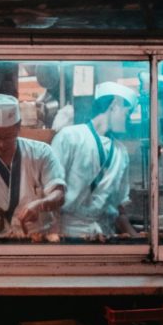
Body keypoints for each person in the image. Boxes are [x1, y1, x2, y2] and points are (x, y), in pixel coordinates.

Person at [0, 94, 65, 239]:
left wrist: (41, 204)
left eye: (8, 137)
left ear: (18, 128)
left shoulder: (41, 153)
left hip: (37, 239)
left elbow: (59, 194)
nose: (2, 144)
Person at [52, 81, 139, 239]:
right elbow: (51, 191)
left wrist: (136, 237)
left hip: (104, 235)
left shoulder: (121, 152)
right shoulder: (69, 137)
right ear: (115, 104)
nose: (129, 120)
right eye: (127, 113)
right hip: (69, 234)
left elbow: (119, 207)